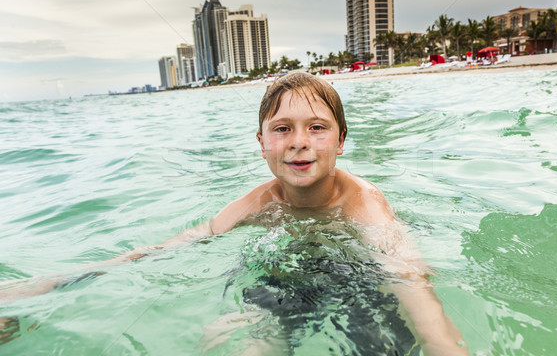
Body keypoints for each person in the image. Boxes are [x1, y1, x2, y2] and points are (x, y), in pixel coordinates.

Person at [1, 72, 468, 355]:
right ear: (262, 144)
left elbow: (411, 282)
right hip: (287, 274)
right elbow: (176, 245)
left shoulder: (363, 204)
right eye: (282, 128)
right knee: (246, 338)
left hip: (357, 273)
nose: (300, 141)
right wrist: (50, 283)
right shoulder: (260, 203)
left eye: (317, 128)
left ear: (341, 141)